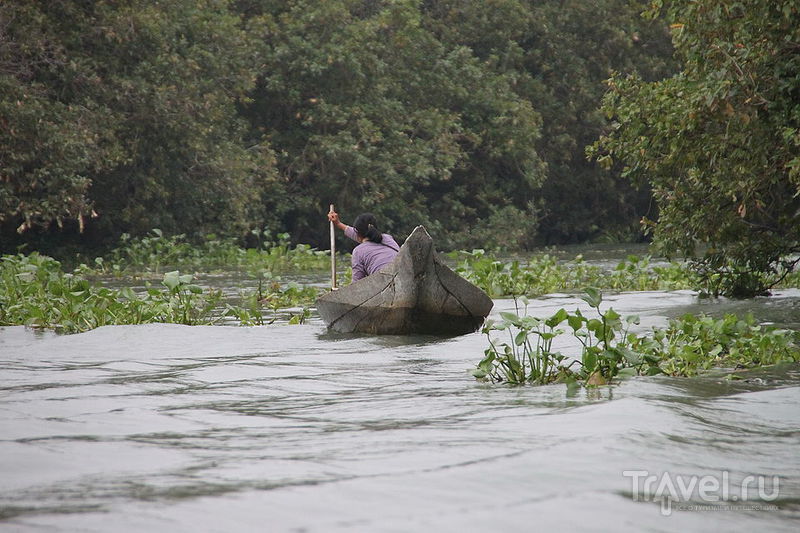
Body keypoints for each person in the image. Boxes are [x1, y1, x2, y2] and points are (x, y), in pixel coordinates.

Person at [328, 210, 400, 282]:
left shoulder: (358, 251)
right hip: (403, 276)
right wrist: (338, 224)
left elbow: (357, 284)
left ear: (358, 233)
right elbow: (359, 234)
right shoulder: (388, 238)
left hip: (383, 284)